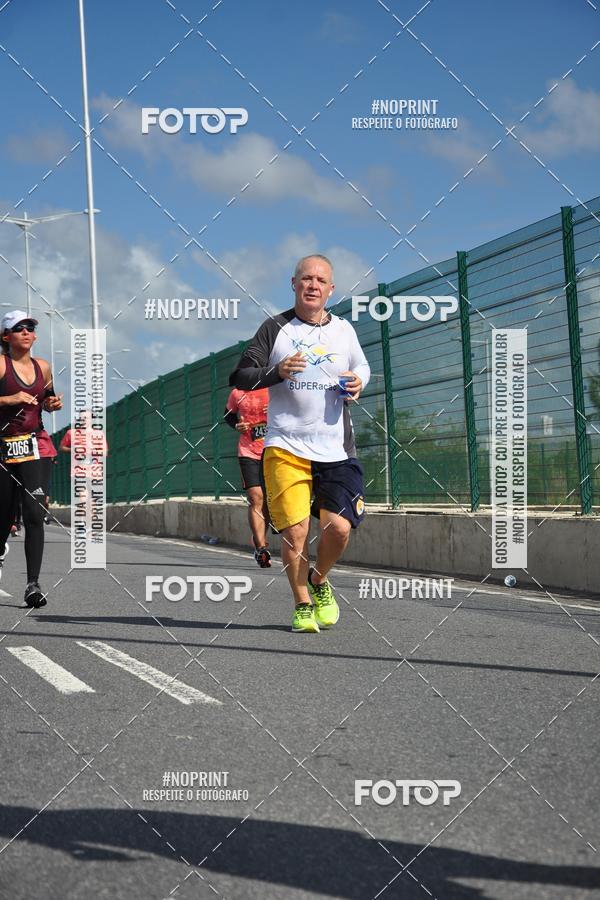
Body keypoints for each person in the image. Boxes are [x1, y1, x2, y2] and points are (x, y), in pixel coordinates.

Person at [229, 254, 370, 633]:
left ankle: (319, 580)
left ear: (331, 289)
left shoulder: (343, 330)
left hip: (336, 449)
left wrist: (358, 381)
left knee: (339, 528)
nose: (313, 285)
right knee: (295, 532)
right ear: (293, 284)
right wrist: (276, 372)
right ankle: (302, 603)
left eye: (320, 280)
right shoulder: (275, 328)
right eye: (306, 278)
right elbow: (241, 375)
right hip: (286, 447)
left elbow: (362, 366)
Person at [0, 310, 63, 607]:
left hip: (34, 445)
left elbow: (48, 398)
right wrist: (9, 400)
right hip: (2, 445)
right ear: (6, 336)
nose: (26, 331)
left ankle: (33, 585)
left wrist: (52, 403)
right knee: (3, 515)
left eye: (31, 327)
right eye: (19, 328)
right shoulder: (1, 364)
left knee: (35, 513)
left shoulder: (44, 367)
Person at [224, 386, 272, 567]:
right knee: (255, 498)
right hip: (248, 452)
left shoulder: (276, 386)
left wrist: (277, 408)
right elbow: (228, 415)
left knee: (268, 500)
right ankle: (261, 548)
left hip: (275, 450)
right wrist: (237, 424)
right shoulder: (238, 392)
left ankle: (259, 535)